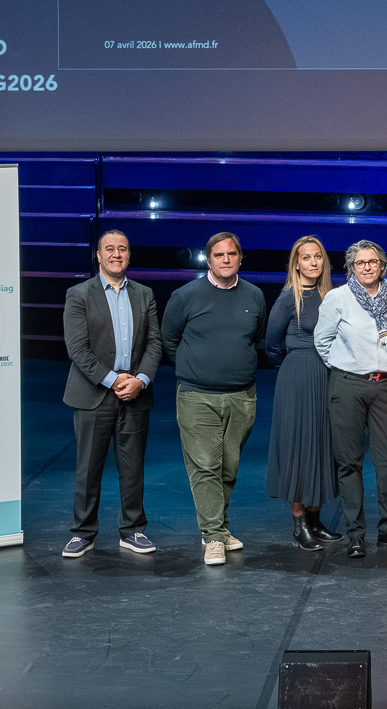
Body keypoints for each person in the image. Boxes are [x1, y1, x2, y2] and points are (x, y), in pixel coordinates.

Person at [160, 231, 267, 567]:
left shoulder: (254, 295)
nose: (225, 260)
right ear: (208, 259)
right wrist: (198, 369)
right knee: (205, 465)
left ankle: (219, 527)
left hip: (241, 396)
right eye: (219, 255)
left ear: (239, 258)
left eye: (231, 254)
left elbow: (256, 339)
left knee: (228, 467)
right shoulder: (186, 296)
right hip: (197, 396)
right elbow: (169, 340)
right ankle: (212, 537)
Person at [60, 229, 162, 559]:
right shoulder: (78, 294)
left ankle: (133, 531)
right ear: (98, 256)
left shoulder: (145, 294)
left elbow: (154, 344)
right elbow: (77, 348)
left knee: (133, 468)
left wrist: (141, 379)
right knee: (88, 468)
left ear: (129, 255)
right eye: (110, 249)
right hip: (94, 394)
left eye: (123, 249)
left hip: (135, 392)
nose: (116, 254)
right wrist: (113, 380)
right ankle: (83, 533)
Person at [312, 239, 387, 558]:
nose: (367, 267)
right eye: (360, 263)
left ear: (383, 265)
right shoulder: (337, 298)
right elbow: (322, 341)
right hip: (348, 384)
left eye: (373, 261)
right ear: (351, 268)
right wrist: (346, 367)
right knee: (349, 461)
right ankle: (355, 533)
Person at [264, 235, 340, 551]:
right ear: (296, 263)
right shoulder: (288, 298)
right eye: (306, 257)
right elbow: (271, 345)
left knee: (322, 445)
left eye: (317, 257)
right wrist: (296, 364)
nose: (312, 262)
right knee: (297, 445)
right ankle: (299, 525)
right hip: (297, 376)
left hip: (328, 375)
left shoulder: (333, 296)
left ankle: (315, 519)